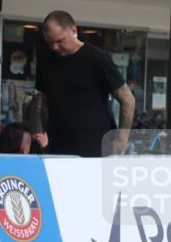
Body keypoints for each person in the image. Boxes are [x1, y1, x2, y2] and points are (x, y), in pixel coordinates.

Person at [37, 10, 135, 156]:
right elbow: (44, 102)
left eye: (60, 41)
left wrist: (121, 140)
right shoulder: (46, 61)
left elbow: (127, 99)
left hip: (95, 148)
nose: (55, 47)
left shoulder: (96, 58)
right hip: (58, 148)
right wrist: (44, 132)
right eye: (50, 42)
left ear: (74, 30)